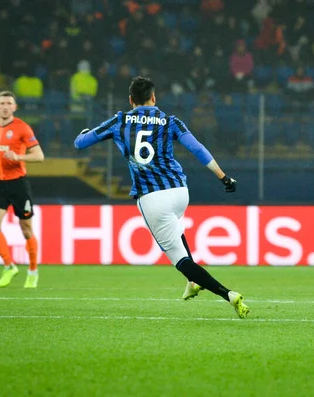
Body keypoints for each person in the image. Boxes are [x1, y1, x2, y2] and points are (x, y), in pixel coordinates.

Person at [74, 76, 250, 319]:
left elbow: (80, 143)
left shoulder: (120, 120)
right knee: (176, 229)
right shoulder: (170, 121)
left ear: (130, 100)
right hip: (180, 192)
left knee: (180, 259)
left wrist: (84, 132)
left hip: (153, 198)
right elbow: (197, 148)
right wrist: (223, 177)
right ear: (154, 98)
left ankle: (228, 295)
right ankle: (191, 282)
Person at [0, 91, 45, 288]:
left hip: (18, 183)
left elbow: (39, 156)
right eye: (2, 103)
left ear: (14, 108)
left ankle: (33, 271)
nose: (6, 106)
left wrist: (18, 157)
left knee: (26, 230)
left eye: (9, 103)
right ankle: (9, 266)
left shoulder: (22, 128)